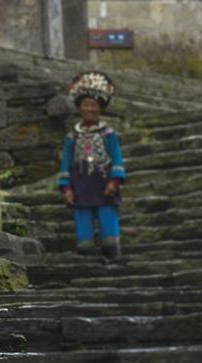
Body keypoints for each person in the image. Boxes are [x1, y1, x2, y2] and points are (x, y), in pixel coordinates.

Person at [57, 71, 126, 259]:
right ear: (79, 108)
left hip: (104, 186)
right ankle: (85, 253)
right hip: (80, 186)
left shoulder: (109, 135)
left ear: (100, 108)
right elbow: (66, 164)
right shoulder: (72, 137)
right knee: (83, 224)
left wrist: (115, 181)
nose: (89, 109)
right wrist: (66, 188)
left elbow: (117, 159)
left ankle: (112, 253)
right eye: (85, 105)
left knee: (108, 221)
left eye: (93, 105)